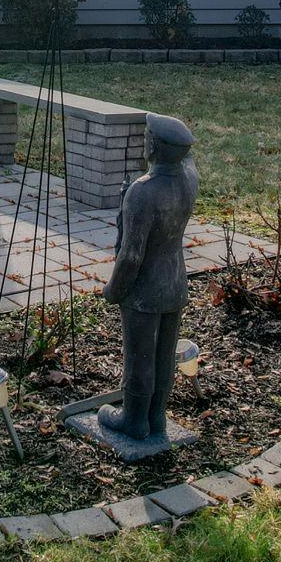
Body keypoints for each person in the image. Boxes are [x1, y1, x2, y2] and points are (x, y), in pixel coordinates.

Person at [98, 113, 199, 442]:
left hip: (144, 289)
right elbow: (188, 157)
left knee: (140, 355)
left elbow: (131, 256)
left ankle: (134, 419)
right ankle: (157, 416)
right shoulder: (189, 178)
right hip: (175, 282)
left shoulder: (142, 193)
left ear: (153, 145)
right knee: (164, 353)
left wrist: (113, 290)